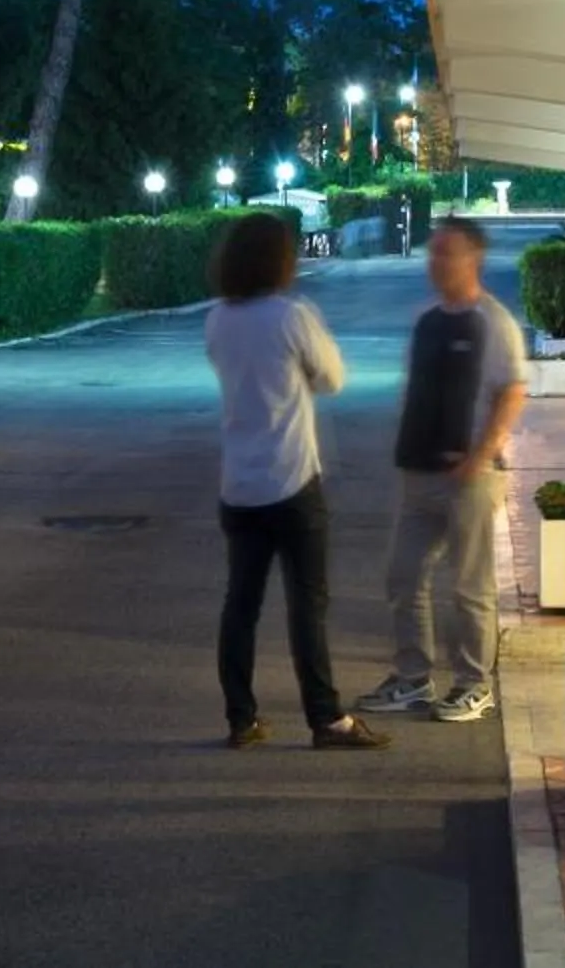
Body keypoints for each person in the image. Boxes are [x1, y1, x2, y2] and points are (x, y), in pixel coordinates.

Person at [204, 213, 390, 752]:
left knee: (240, 605)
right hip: (291, 481)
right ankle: (326, 719)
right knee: (307, 606)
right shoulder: (291, 316)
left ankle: (241, 718)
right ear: (280, 261)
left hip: (238, 486)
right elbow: (332, 377)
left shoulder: (218, 318)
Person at [357, 216, 529, 724]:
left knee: (470, 586)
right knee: (403, 576)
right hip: (419, 475)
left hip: (470, 477)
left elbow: (512, 391)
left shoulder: (492, 322)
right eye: (432, 253)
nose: (435, 263)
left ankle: (475, 685)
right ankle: (412, 678)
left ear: (473, 259)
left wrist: (480, 455)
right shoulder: (428, 320)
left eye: (446, 253)